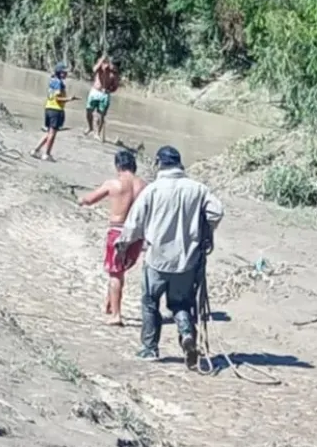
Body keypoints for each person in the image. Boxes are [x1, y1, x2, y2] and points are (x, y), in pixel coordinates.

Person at [114, 146, 224, 369]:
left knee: (150, 303)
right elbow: (216, 212)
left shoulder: (153, 190)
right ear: (179, 164)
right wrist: (204, 232)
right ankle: (186, 335)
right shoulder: (198, 189)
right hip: (187, 261)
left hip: (157, 259)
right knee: (181, 303)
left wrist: (123, 244)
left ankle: (149, 349)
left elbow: (134, 223)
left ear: (159, 164)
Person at [77, 149, 148, 326]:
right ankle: (110, 304)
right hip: (137, 233)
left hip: (117, 231)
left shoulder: (113, 183)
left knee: (115, 273)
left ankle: (116, 314)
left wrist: (81, 200)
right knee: (121, 270)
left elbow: (91, 199)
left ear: (118, 166)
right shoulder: (144, 185)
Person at [31, 62, 76, 161]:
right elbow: (58, 98)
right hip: (56, 109)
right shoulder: (58, 83)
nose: (66, 74)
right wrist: (70, 99)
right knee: (52, 133)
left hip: (49, 108)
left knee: (49, 132)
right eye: (64, 72)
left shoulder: (52, 80)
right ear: (60, 72)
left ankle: (36, 150)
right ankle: (46, 154)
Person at [84, 55, 121, 143]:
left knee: (101, 115)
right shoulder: (102, 66)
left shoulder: (115, 74)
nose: (112, 67)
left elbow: (115, 87)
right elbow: (94, 70)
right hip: (95, 91)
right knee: (89, 111)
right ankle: (90, 127)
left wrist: (109, 89)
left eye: (115, 67)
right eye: (112, 65)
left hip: (105, 95)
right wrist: (101, 60)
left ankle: (97, 133)